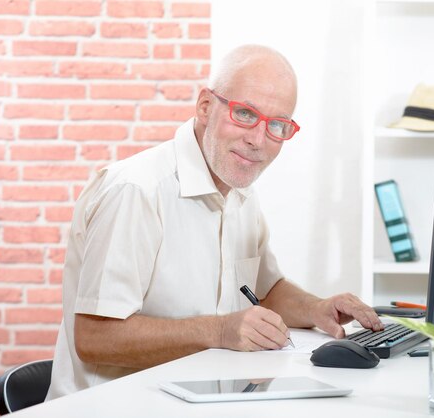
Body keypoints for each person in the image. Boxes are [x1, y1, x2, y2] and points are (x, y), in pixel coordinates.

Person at [46, 44, 383, 400]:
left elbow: (266, 291)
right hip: (113, 407)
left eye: (277, 125)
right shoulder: (136, 190)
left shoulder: (240, 191)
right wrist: (220, 331)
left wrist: (316, 308)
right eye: (246, 114)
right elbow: (95, 338)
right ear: (205, 106)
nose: (257, 140)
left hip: (195, 400)